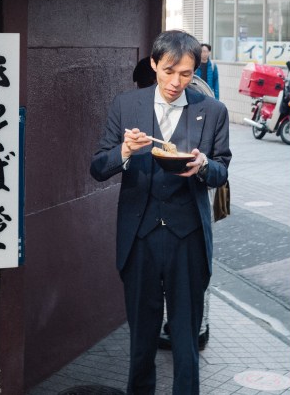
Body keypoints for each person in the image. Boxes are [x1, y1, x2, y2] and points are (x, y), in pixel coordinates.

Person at [91, 30, 230, 394]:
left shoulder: (211, 111)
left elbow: (221, 170)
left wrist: (202, 165)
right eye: (169, 71)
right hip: (140, 238)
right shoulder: (126, 105)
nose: (175, 82)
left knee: (186, 340)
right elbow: (98, 166)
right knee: (142, 341)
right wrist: (124, 151)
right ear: (154, 64)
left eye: (185, 74)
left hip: (188, 240)